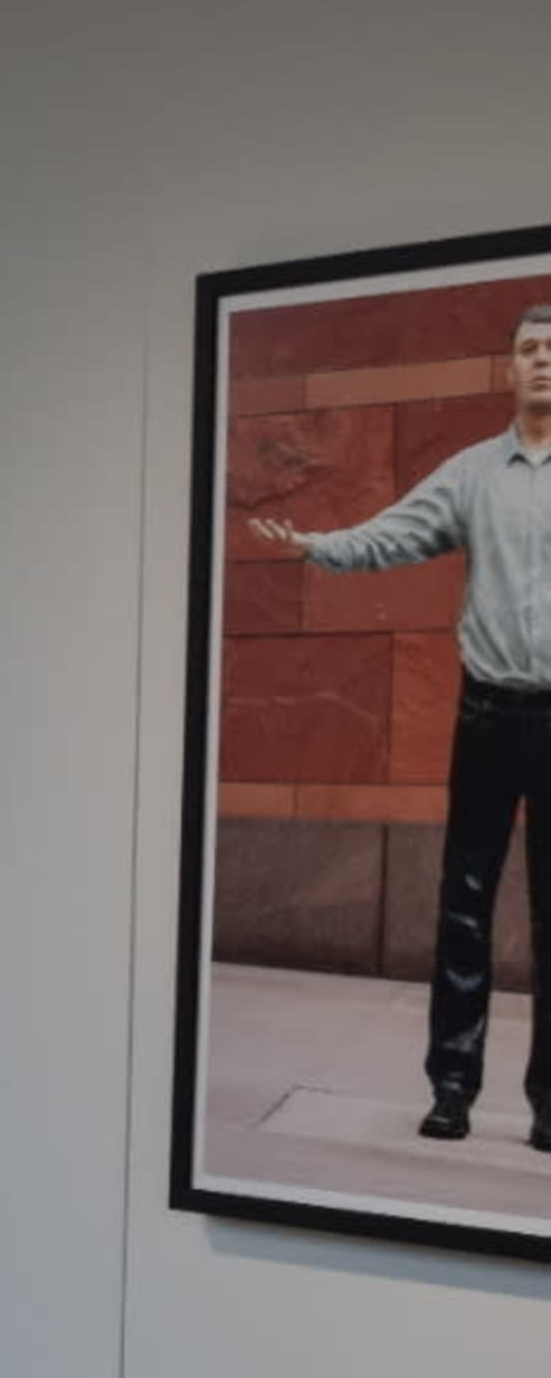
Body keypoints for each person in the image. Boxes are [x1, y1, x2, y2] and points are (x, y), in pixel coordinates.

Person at [253, 301, 551, 1148]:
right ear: (509, 368)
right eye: (527, 348)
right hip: (488, 717)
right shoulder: (469, 474)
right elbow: (394, 535)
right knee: (464, 907)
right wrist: (320, 547)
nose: (541, 361)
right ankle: (451, 1089)